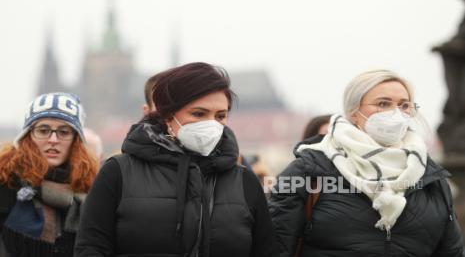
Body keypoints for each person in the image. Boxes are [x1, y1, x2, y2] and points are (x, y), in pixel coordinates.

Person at [75, 62, 278, 257]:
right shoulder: (118, 173)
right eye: (199, 113)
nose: (211, 124)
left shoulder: (244, 181)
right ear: (168, 115)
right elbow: (91, 248)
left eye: (221, 116)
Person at [269, 70, 464, 256]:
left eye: (404, 105)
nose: (395, 113)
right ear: (353, 112)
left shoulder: (429, 176)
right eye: (383, 103)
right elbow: (277, 245)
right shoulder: (309, 170)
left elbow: (451, 250)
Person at [0, 92, 98, 256]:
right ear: (28, 136)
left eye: (64, 132)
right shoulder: (6, 182)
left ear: (76, 140)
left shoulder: (92, 192)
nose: (53, 139)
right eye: (43, 130)